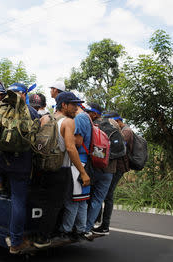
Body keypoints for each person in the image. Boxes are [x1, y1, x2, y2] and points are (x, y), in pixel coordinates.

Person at [0, 83, 40, 254]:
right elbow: (38, 129)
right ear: (22, 95)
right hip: (20, 163)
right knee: (18, 201)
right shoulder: (30, 111)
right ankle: (15, 242)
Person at [33, 92, 87, 248]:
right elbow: (71, 148)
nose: (76, 108)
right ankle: (43, 238)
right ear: (64, 105)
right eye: (73, 104)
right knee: (55, 205)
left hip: (44, 167)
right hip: (60, 169)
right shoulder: (68, 122)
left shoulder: (45, 118)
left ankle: (37, 232)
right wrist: (83, 173)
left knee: (43, 203)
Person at [58, 93, 91, 241]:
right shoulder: (87, 118)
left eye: (76, 104)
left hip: (77, 163)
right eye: (74, 103)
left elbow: (75, 144)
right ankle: (81, 229)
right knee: (82, 199)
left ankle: (66, 230)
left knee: (73, 200)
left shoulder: (77, 119)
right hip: (83, 161)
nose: (75, 107)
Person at [95, 112, 133, 235]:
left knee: (108, 195)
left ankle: (104, 225)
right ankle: (100, 222)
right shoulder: (121, 130)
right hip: (116, 167)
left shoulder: (125, 132)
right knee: (106, 195)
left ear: (116, 120)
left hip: (118, 167)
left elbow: (117, 149)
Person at [82, 103, 117, 240]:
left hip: (94, 168)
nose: (87, 114)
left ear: (95, 114)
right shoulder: (113, 127)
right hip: (109, 170)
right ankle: (88, 227)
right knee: (98, 200)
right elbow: (122, 150)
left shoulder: (92, 126)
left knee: (85, 197)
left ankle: (79, 226)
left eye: (89, 111)